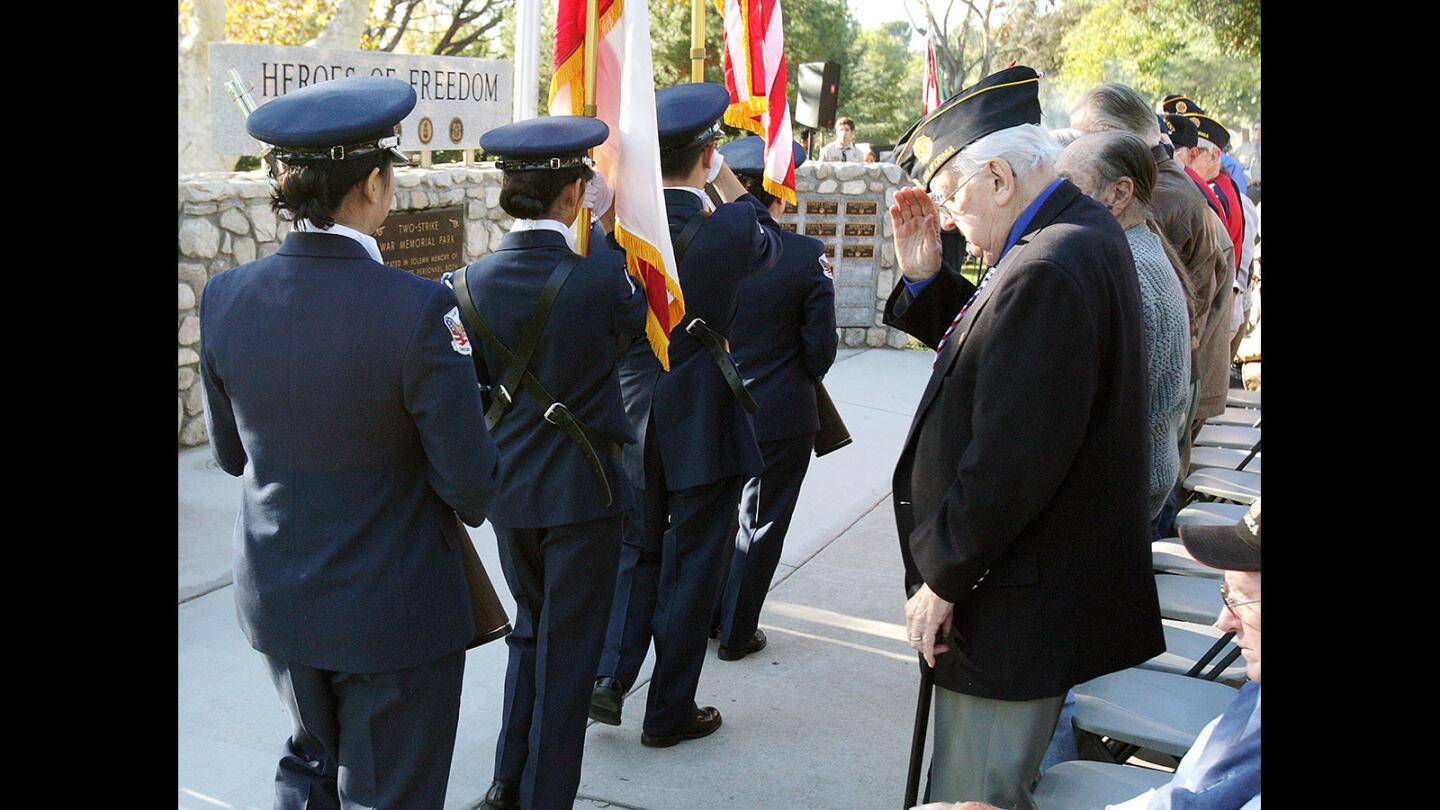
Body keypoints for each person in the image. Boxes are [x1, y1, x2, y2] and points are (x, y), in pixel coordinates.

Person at [197, 76, 501, 809]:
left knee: (309, 771)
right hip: (392, 614)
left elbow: (234, 456)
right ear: (372, 183)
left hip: (279, 598)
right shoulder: (421, 307)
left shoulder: (224, 296)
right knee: (389, 791)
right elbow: (472, 489)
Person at [886, 65, 1164, 809]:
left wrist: (942, 575)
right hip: (1020, 587)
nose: (946, 217)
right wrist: (926, 283)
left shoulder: (1050, 260)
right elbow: (999, 357)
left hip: (1009, 599)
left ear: (1001, 178)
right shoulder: (1067, 230)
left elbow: (1014, 454)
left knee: (977, 790)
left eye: (952, 196)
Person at [455, 116, 648, 810]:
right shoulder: (600, 277)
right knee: (569, 658)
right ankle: (543, 797)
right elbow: (636, 329)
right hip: (585, 495)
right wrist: (609, 233)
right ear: (574, 193)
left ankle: (508, 781)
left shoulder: (466, 282)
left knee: (530, 636)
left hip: (513, 496)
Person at [591, 82, 783, 747]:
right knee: (695, 567)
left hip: (632, 411)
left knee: (634, 554)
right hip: (703, 414)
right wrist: (723, 172)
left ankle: (612, 677)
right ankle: (669, 711)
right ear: (706, 155)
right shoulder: (728, 225)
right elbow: (771, 240)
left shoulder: (614, 228)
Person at [916, 498, 1262, 810]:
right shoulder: (1253, 698)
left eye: (1240, 599)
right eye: (1223, 593)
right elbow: (1183, 796)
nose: (1223, 622)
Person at [711, 135, 838, 661]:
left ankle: (707, 618)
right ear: (781, 194)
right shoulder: (805, 255)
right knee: (759, 525)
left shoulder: (697, 247)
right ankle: (736, 632)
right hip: (780, 413)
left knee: (713, 522)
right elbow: (820, 351)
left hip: (711, 408)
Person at [1057, 130, 1191, 522]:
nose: (1055, 200)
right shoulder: (1128, 253)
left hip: (1120, 504)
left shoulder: (1130, 270)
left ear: (1118, 194)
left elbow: (1100, 413)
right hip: (1128, 494)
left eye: (1069, 187)